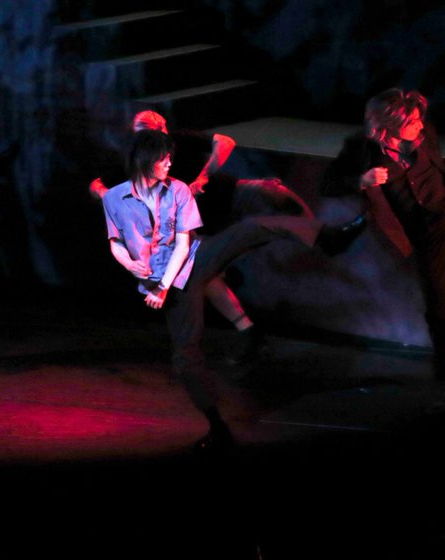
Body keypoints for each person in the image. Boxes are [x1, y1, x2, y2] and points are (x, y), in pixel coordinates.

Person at [103, 129, 363, 450]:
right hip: (166, 285)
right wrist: (133, 266)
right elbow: (117, 243)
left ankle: (329, 237)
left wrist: (163, 285)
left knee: (253, 227)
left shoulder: (178, 189)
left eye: (169, 157)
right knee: (186, 358)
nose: (170, 163)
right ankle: (217, 428)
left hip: (192, 263)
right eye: (163, 158)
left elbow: (183, 244)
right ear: (145, 161)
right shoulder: (115, 199)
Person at [91, 111, 312, 362]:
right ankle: (249, 332)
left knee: (271, 191)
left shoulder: (179, 140)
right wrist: (111, 197)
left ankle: (318, 231)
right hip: (200, 223)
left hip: (224, 196)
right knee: (203, 275)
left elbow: (224, 142)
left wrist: (203, 176)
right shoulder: (138, 159)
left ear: (163, 130)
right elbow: (98, 185)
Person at [323, 89, 445, 393]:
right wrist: (361, 181)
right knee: (439, 309)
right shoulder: (362, 149)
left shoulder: (425, 135)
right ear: (389, 124)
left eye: (419, 119)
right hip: (424, 237)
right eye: (412, 121)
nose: (420, 125)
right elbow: (329, 184)